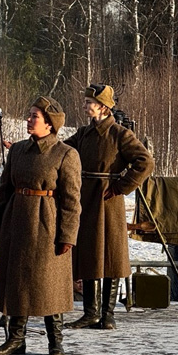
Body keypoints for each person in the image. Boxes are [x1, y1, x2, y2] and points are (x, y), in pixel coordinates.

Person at [0, 96, 81, 355]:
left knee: (49, 283)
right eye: (29, 115)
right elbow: (3, 191)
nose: (29, 120)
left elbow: (72, 201)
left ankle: (55, 341)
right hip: (15, 221)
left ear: (50, 124)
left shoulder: (65, 154)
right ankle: (16, 339)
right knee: (17, 281)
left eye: (34, 116)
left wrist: (67, 236)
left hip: (47, 224)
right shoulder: (17, 150)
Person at [64, 83, 154, 330]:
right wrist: (25, 146)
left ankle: (108, 314)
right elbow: (61, 150)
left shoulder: (120, 134)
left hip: (108, 201)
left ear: (102, 106)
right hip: (85, 199)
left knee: (112, 255)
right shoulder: (83, 134)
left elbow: (145, 162)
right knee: (90, 253)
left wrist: (121, 186)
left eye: (89, 102)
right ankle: (91, 313)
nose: (84, 106)